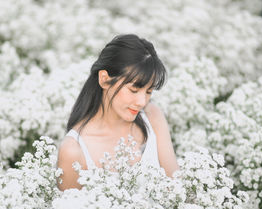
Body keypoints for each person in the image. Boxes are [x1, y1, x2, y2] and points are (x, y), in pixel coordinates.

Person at [57, 34, 179, 191]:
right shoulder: (74, 150)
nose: (142, 102)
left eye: (149, 91)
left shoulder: (152, 116)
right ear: (104, 79)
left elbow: (177, 186)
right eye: (133, 90)